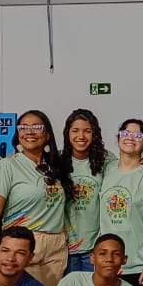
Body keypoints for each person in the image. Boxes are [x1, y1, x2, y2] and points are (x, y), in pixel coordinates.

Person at [0, 109, 74, 286]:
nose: (29, 132)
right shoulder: (7, 166)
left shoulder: (56, 166)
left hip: (56, 246)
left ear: (47, 135)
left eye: (37, 127)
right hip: (23, 243)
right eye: (23, 127)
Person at [99, 118, 143, 286]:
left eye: (137, 135)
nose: (130, 138)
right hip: (106, 261)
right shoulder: (105, 168)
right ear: (118, 137)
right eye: (126, 133)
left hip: (137, 264)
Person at [61, 109, 112, 273]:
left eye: (87, 131)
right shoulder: (57, 160)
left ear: (94, 134)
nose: (81, 136)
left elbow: (127, 169)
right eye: (75, 130)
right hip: (65, 247)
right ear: (67, 133)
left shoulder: (106, 160)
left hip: (95, 246)